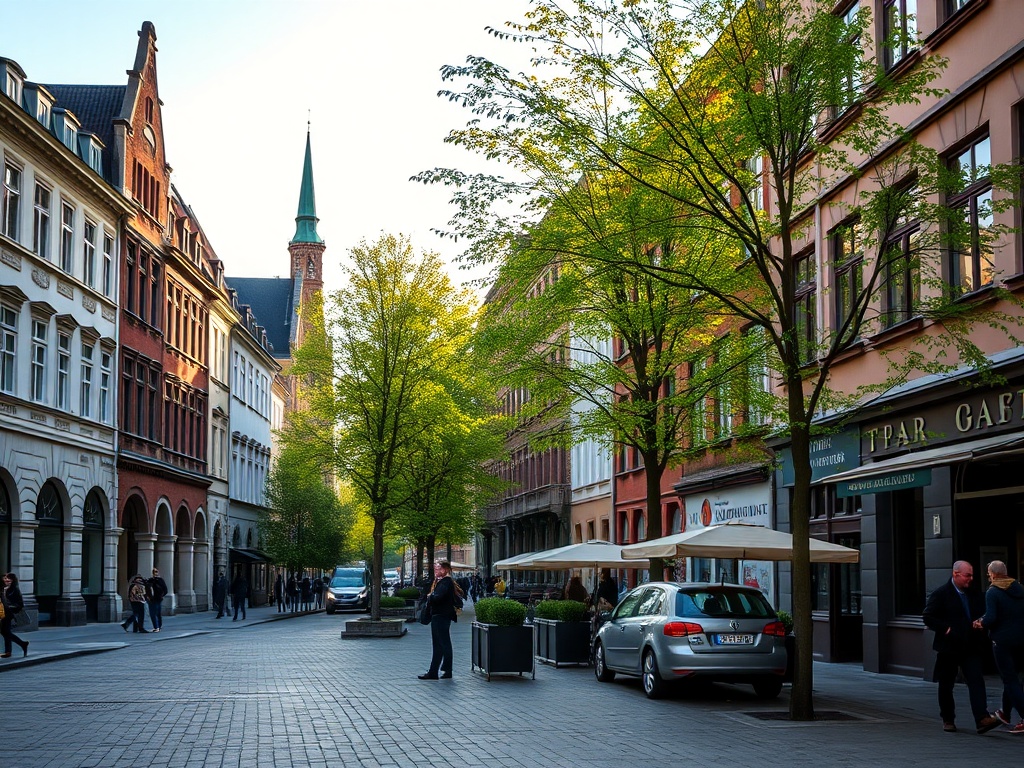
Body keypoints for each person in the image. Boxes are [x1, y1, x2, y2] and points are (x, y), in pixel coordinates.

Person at [922, 560, 1000, 734]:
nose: (971, 579)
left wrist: (981, 622)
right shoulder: (941, 594)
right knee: (946, 683)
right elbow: (928, 616)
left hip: (971, 645)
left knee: (976, 681)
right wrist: (946, 629)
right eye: (967, 575)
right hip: (949, 647)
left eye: (972, 575)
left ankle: (982, 718)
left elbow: (985, 612)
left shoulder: (974, 594)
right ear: (955, 574)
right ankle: (948, 718)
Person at [974, 560, 1024, 733]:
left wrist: (981, 623)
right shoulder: (1020, 588)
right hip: (1021, 640)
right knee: (1013, 679)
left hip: (1002, 642)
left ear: (993, 574)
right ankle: (1005, 713)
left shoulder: (993, 592)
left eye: (989, 573)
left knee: (1009, 679)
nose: (988, 576)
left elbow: (992, 618)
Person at [418, 560, 460, 680]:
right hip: (441, 615)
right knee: (440, 644)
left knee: (441, 644)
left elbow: (438, 598)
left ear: (445, 570)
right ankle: (438, 671)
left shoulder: (445, 583)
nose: (436, 571)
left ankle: (441, 671)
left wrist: (430, 597)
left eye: (438, 569)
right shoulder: (445, 582)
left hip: (440, 616)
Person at [1, 572, 29, 658]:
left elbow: (20, 604)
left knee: (4, 631)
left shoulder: (15, 590)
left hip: (9, 613)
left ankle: (17, 646)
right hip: (4, 612)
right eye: (5, 578)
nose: (6, 580)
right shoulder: (4, 589)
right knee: (6, 631)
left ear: (13, 580)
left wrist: (10, 607)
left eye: (9, 579)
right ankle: (15, 648)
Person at [147, 568, 168, 632]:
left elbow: (147, 590)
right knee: (158, 613)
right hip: (159, 599)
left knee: (153, 613)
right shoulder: (161, 580)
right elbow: (165, 590)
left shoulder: (150, 580)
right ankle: (159, 626)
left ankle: (156, 627)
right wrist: (161, 596)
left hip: (152, 599)